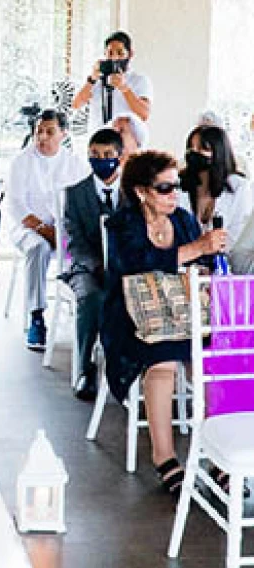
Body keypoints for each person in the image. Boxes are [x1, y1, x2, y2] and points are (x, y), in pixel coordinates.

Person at [102, 150, 226, 496]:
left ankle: (220, 456)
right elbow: (134, 264)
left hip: (183, 312)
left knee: (217, 360)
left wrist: (210, 255)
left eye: (177, 186)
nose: (174, 194)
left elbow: (199, 264)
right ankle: (165, 457)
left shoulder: (184, 220)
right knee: (164, 361)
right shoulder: (123, 223)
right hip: (132, 318)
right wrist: (194, 249)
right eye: (165, 188)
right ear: (142, 191)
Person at [6, 109, 90, 351]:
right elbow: (16, 206)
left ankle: (83, 309)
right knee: (38, 248)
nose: (42, 137)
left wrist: (64, 232)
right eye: (38, 132)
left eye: (49, 132)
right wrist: (46, 231)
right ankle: (37, 315)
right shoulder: (21, 162)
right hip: (27, 227)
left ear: (63, 134)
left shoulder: (75, 164)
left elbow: (82, 204)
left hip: (63, 229)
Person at [62, 128, 125, 401]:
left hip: (124, 266)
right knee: (91, 298)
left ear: (120, 157)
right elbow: (74, 241)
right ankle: (86, 369)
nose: (101, 160)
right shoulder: (76, 194)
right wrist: (95, 264)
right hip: (87, 267)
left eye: (108, 155)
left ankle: (126, 367)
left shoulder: (134, 193)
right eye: (95, 155)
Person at [178, 124, 252, 254]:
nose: (194, 153)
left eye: (202, 148)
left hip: (226, 263)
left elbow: (238, 235)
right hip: (188, 263)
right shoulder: (179, 184)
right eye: (191, 148)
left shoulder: (238, 187)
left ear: (219, 152)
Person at [72, 31, 152, 132]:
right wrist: (92, 79)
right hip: (98, 140)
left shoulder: (139, 80)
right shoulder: (96, 79)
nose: (114, 57)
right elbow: (76, 105)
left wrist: (124, 88)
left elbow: (144, 114)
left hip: (126, 141)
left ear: (130, 54)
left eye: (120, 53)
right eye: (110, 53)